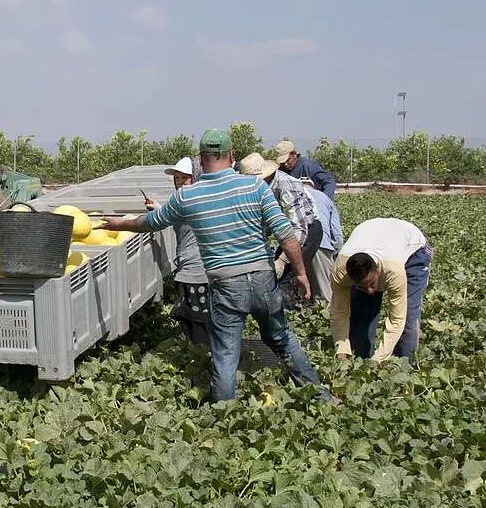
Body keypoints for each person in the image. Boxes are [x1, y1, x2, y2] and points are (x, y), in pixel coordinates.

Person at [101, 129, 333, 403]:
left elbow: (149, 222)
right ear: (232, 156)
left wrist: (117, 223)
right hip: (262, 279)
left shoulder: (188, 196)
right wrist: (302, 273)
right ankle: (320, 398)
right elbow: (287, 235)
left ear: (201, 160)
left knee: (225, 353)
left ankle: (225, 416)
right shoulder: (255, 187)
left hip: (225, 285)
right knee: (281, 338)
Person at [330, 218, 432, 362]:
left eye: (372, 284)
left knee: (408, 316)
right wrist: (342, 350)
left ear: (377, 270)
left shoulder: (393, 270)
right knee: (360, 315)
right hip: (373, 236)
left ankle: (404, 366)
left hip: (414, 251)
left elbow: (396, 321)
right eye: (362, 286)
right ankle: (360, 362)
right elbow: (339, 314)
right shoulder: (340, 273)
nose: (370, 291)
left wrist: (379, 360)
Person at [238, 152, 323, 304]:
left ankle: (290, 318)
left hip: (307, 232)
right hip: (286, 233)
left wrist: (283, 261)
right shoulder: (259, 188)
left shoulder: (286, 185)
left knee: (286, 278)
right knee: (276, 276)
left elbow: (299, 229)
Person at [145, 157, 209, 346]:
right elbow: (173, 215)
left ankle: (203, 359)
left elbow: (163, 219)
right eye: (177, 178)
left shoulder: (190, 201)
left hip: (196, 272)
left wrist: (119, 224)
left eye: (185, 178)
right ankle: (206, 356)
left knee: (197, 320)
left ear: (195, 178)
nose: (180, 183)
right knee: (198, 317)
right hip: (194, 270)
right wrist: (157, 207)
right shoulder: (192, 199)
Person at [303, 184, 344, 302]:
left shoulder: (290, 194)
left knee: (301, 293)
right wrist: (335, 253)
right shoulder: (324, 197)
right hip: (320, 245)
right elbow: (336, 234)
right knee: (324, 296)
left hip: (292, 246)